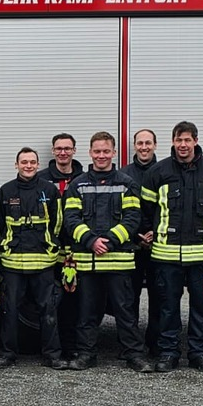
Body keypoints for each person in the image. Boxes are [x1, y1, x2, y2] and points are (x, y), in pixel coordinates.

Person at [140, 121, 203, 373]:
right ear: (172, 142)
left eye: (187, 140)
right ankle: (168, 353)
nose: (183, 145)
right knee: (167, 308)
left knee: (202, 307)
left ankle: (200, 354)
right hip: (165, 255)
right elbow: (146, 208)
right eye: (179, 140)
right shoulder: (158, 172)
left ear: (195, 141)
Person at [61, 132, 144, 371]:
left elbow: (132, 218)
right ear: (90, 153)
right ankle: (86, 354)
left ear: (114, 153)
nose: (101, 156)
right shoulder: (78, 184)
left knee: (125, 312)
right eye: (97, 151)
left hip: (118, 261)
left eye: (106, 151)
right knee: (87, 312)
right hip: (88, 262)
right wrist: (90, 241)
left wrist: (108, 241)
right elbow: (71, 218)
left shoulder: (127, 183)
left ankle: (134, 355)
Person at [0, 147, 65, 368]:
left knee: (48, 310)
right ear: (16, 165)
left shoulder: (49, 190)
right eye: (24, 162)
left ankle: (52, 355)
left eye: (32, 162)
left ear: (38, 164)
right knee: (9, 311)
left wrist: (51, 247)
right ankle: (7, 353)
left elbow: (58, 223)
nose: (28, 166)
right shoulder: (5, 191)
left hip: (43, 262)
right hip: (13, 263)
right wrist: (5, 247)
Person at [39, 132, 85, 360]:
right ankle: (52, 348)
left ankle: (72, 346)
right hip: (51, 251)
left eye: (67, 148)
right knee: (52, 303)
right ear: (53, 151)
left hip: (78, 249)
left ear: (74, 151)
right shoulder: (41, 180)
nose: (63, 152)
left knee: (76, 301)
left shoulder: (84, 179)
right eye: (59, 148)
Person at [120, 128, 160, 355]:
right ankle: (131, 345)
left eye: (148, 143)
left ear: (155, 145)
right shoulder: (123, 175)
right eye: (140, 143)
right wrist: (136, 235)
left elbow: (169, 208)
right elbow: (119, 211)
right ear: (134, 146)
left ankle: (155, 343)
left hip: (159, 245)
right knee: (129, 298)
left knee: (159, 296)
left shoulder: (165, 171)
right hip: (131, 245)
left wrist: (156, 232)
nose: (144, 147)